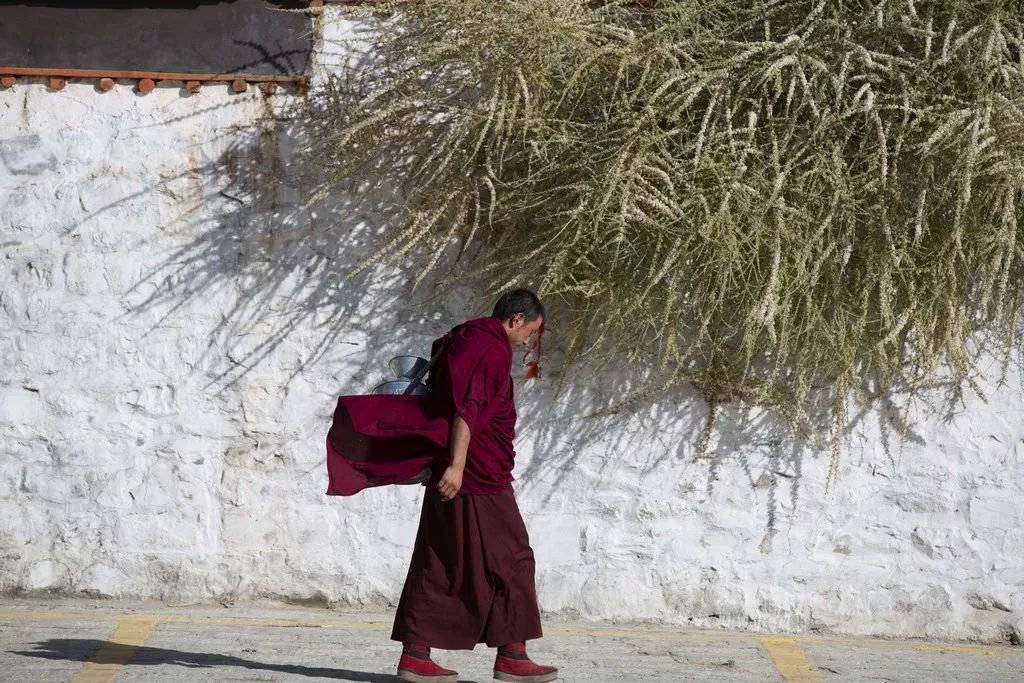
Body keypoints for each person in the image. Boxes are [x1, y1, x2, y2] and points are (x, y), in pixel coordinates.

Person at [324, 289, 557, 683]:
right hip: (476, 474)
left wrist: (450, 465)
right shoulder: (490, 346)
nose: (528, 343)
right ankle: (513, 656)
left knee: (440, 558)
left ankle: (416, 655)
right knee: (514, 556)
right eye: (530, 332)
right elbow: (468, 406)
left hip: (454, 468)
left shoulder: (463, 338)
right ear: (516, 319)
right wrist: (458, 466)